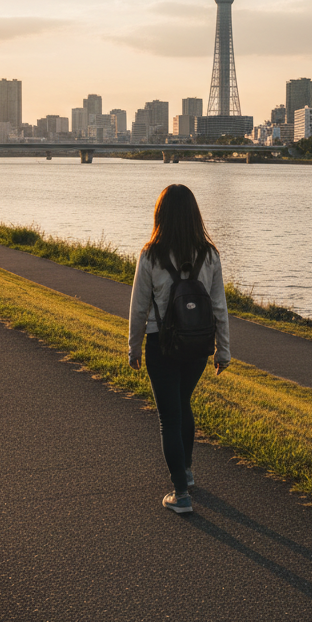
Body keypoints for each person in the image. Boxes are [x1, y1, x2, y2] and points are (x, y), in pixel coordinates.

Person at [128, 184, 230, 514]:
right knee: (183, 404)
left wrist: (134, 347)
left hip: (163, 345)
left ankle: (180, 494)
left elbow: (139, 307)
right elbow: (219, 307)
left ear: (161, 215)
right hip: (198, 345)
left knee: (169, 416)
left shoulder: (151, 254)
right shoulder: (210, 254)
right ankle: (186, 471)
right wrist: (223, 350)